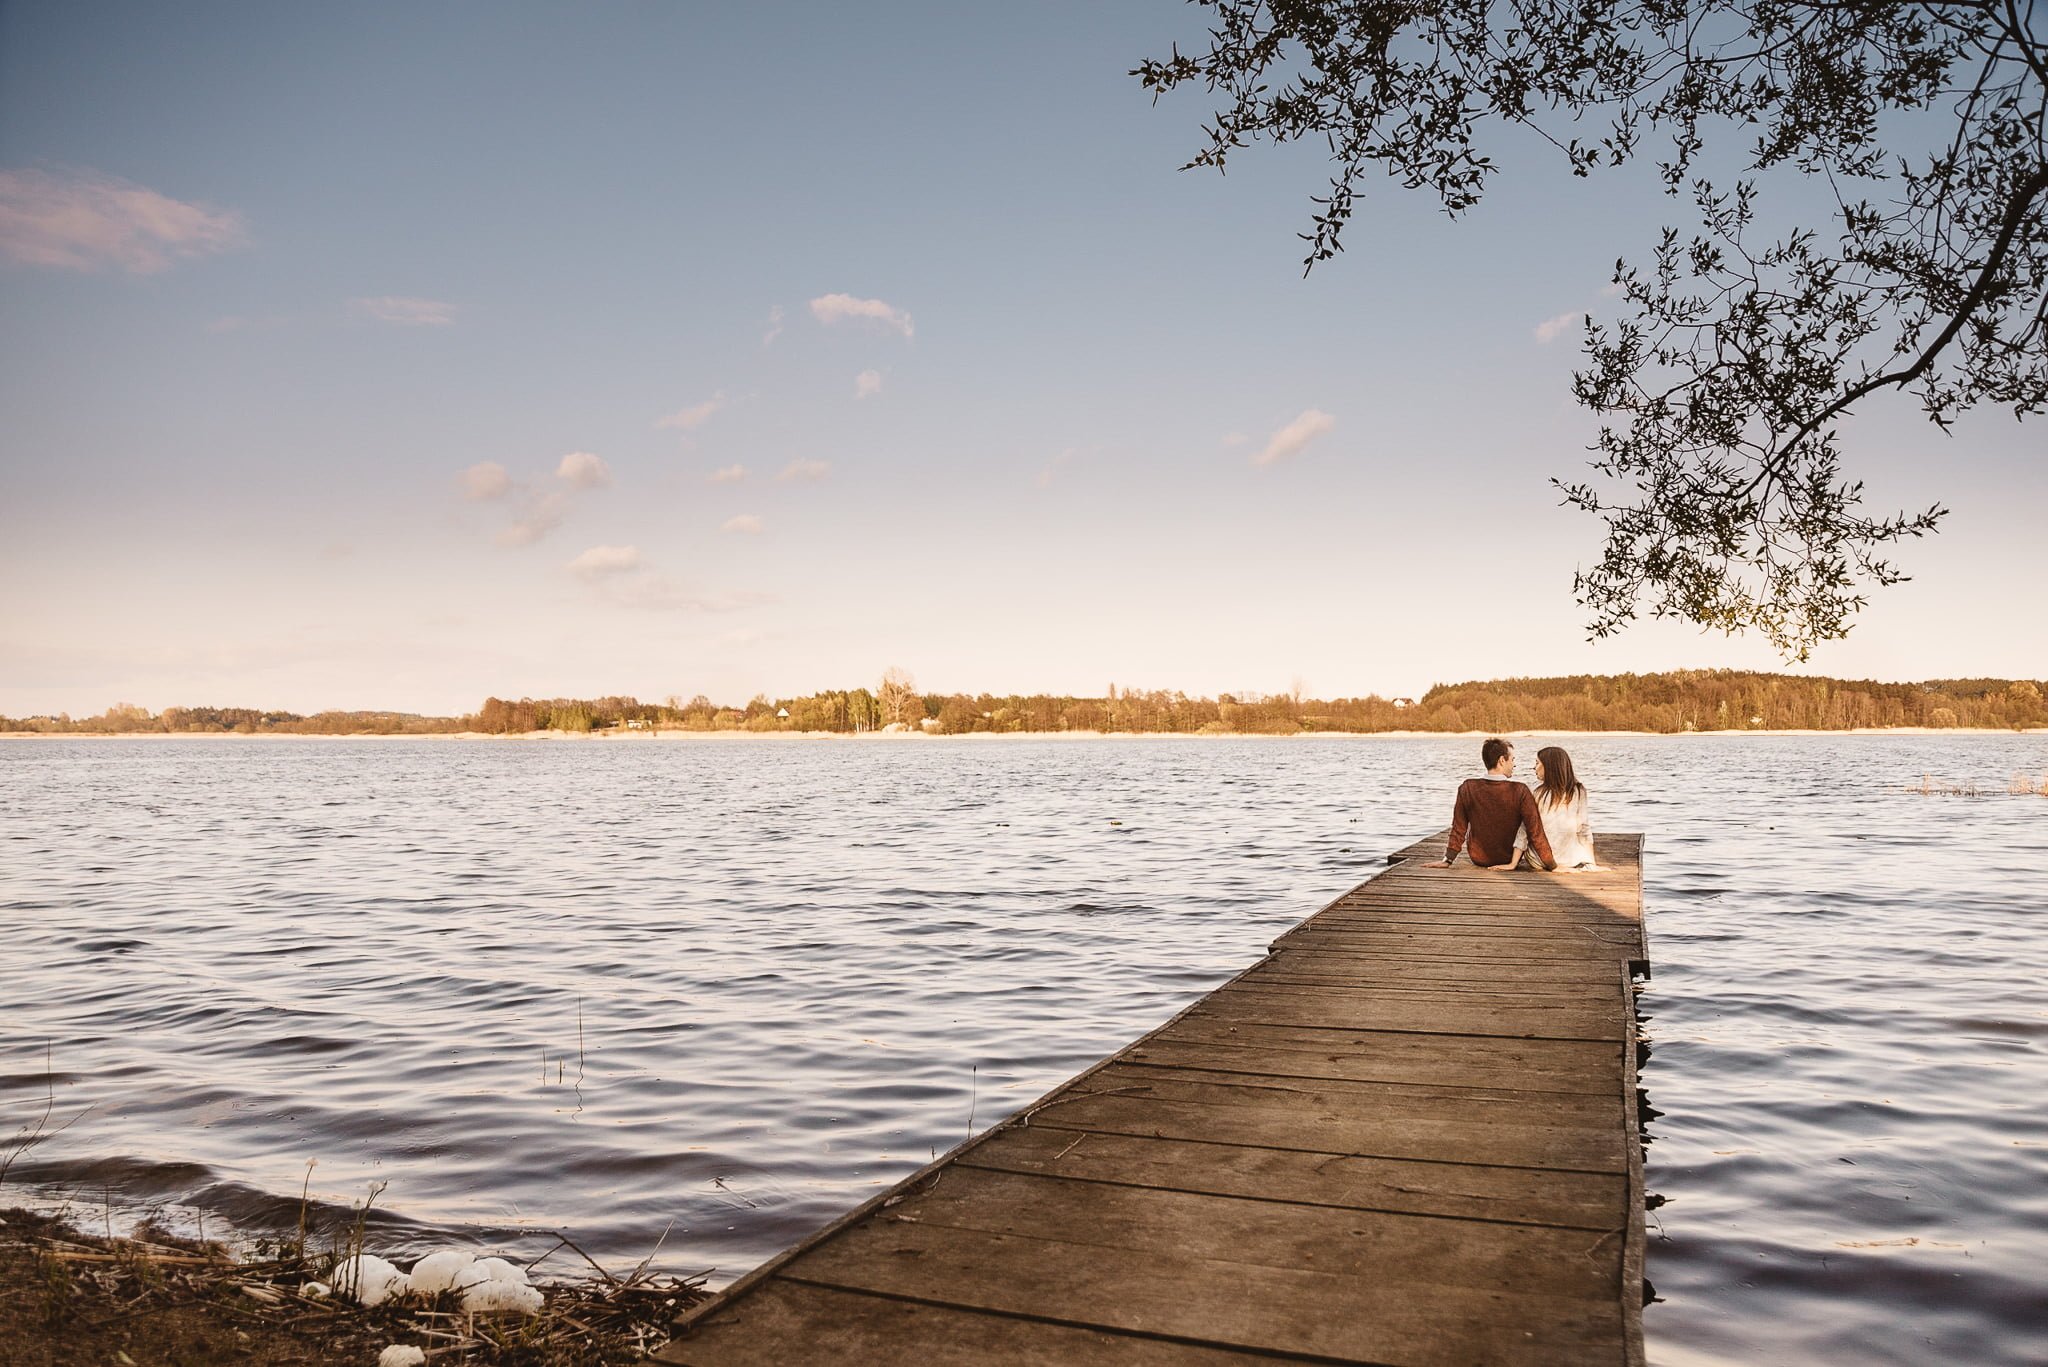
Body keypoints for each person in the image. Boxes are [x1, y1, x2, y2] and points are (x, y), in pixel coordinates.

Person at [1423, 737, 1555, 871]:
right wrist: (1551, 865)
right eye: (1512, 759)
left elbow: (1459, 827)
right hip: (1509, 858)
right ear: (1502, 760)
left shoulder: (1467, 787)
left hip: (1478, 858)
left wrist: (1448, 859)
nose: (1514, 765)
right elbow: (1535, 830)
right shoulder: (1520, 790)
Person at [1514, 745, 1602, 871]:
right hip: (1569, 860)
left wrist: (1513, 863)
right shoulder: (1578, 790)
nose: (1534, 767)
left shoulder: (1536, 792)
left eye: (1537, 763)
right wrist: (1592, 863)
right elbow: (1584, 829)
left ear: (1550, 766)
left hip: (1539, 860)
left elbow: (1524, 829)